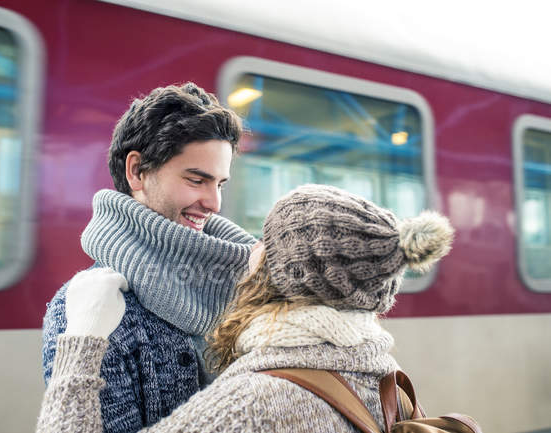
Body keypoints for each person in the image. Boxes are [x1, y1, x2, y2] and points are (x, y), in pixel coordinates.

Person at [36, 184, 454, 433]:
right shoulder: (384, 376)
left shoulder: (254, 403)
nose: (253, 248)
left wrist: (81, 344)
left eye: (266, 242)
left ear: (283, 274)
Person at [41, 83, 257, 432]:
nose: (214, 203)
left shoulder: (242, 287)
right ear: (137, 171)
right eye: (196, 180)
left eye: (219, 184)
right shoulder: (88, 313)